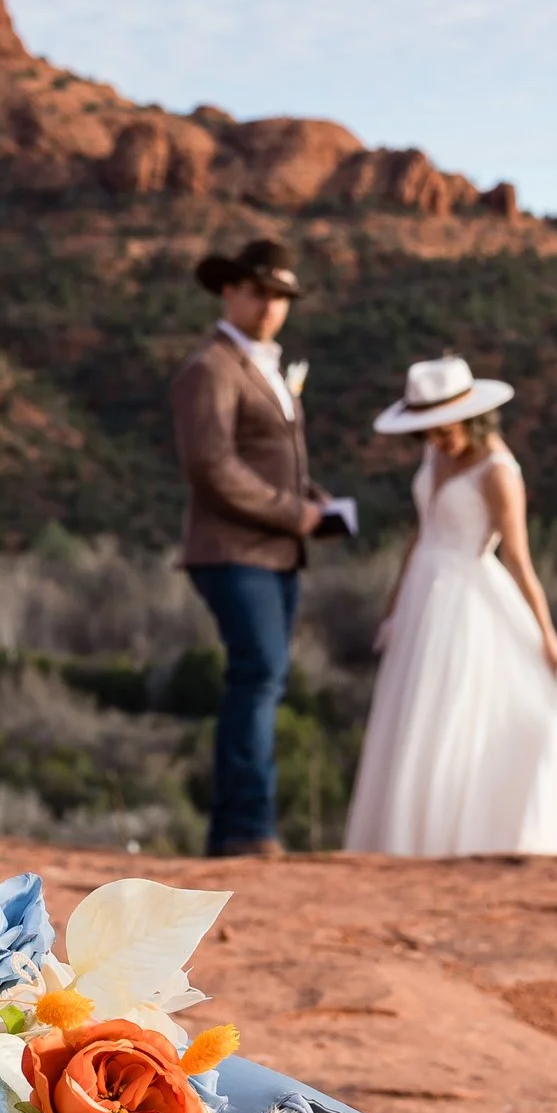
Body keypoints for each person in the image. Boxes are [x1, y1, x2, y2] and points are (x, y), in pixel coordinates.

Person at [343, 354, 557, 858]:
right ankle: (408, 840)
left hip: (469, 601)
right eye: (427, 431)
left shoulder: (499, 472)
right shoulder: (433, 455)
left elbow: (518, 558)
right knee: (413, 714)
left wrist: (548, 638)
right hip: (423, 597)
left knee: (462, 714)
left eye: (444, 429)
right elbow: (420, 533)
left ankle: (460, 839)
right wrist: (393, 610)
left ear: (471, 415)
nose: (436, 441)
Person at [170, 241, 354, 859]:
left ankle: (235, 830)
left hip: (276, 552)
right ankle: (249, 828)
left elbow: (265, 462)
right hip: (232, 550)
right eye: (260, 292)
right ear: (230, 291)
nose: (272, 306)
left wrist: (315, 504)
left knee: (260, 680)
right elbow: (212, 467)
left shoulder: (265, 367)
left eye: (281, 297)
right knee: (260, 677)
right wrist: (293, 512)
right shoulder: (211, 367)